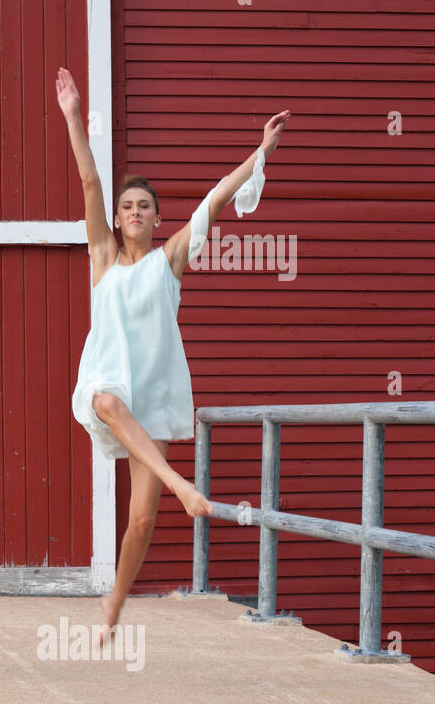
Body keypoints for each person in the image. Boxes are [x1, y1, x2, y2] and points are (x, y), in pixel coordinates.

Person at [55, 66, 290, 635]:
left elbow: (213, 199)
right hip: (109, 385)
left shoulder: (170, 262)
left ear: (157, 219)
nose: (134, 213)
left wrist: (261, 152)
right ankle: (185, 485)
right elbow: (89, 183)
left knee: (138, 522)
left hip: (153, 396)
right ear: (116, 219)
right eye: (127, 207)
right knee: (106, 400)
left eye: (144, 208)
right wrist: (71, 117)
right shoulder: (103, 262)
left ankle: (114, 603)